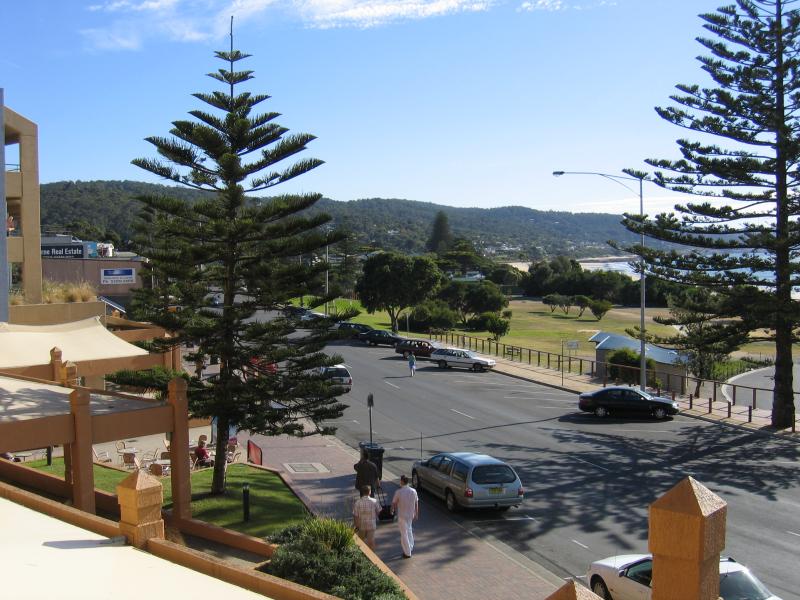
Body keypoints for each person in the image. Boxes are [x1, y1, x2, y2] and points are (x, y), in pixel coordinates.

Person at [391, 474, 419, 559]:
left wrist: (392, 510)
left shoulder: (399, 492)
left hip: (402, 515)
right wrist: (416, 513)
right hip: (410, 514)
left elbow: (394, 503)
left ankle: (407, 552)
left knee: (404, 533)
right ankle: (410, 546)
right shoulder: (413, 491)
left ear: (402, 481)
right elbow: (416, 503)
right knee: (409, 530)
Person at [353, 484, 381, 550]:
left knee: (360, 542)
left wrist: (356, 525)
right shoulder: (374, 501)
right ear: (369, 492)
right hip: (371, 525)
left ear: (362, 492)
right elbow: (379, 511)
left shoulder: (358, 502)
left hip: (361, 525)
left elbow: (355, 515)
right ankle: (372, 557)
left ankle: (362, 556)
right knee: (371, 542)